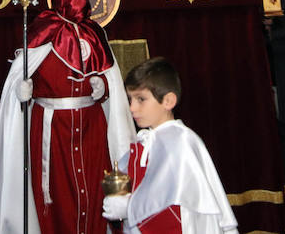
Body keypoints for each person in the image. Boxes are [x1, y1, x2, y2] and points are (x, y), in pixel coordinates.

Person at [0, 0, 134, 234]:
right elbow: (20, 77)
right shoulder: (43, 30)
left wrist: (103, 87)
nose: (81, 1)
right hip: (52, 132)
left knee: (94, 191)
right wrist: (21, 91)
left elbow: (110, 78)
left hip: (91, 129)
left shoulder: (94, 33)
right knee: (57, 199)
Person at [101, 56, 238, 233]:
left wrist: (129, 207)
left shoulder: (180, 141)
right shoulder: (147, 140)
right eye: (130, 99)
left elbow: (172, 203)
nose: (132, 108)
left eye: (141, 99)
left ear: (168, 101)